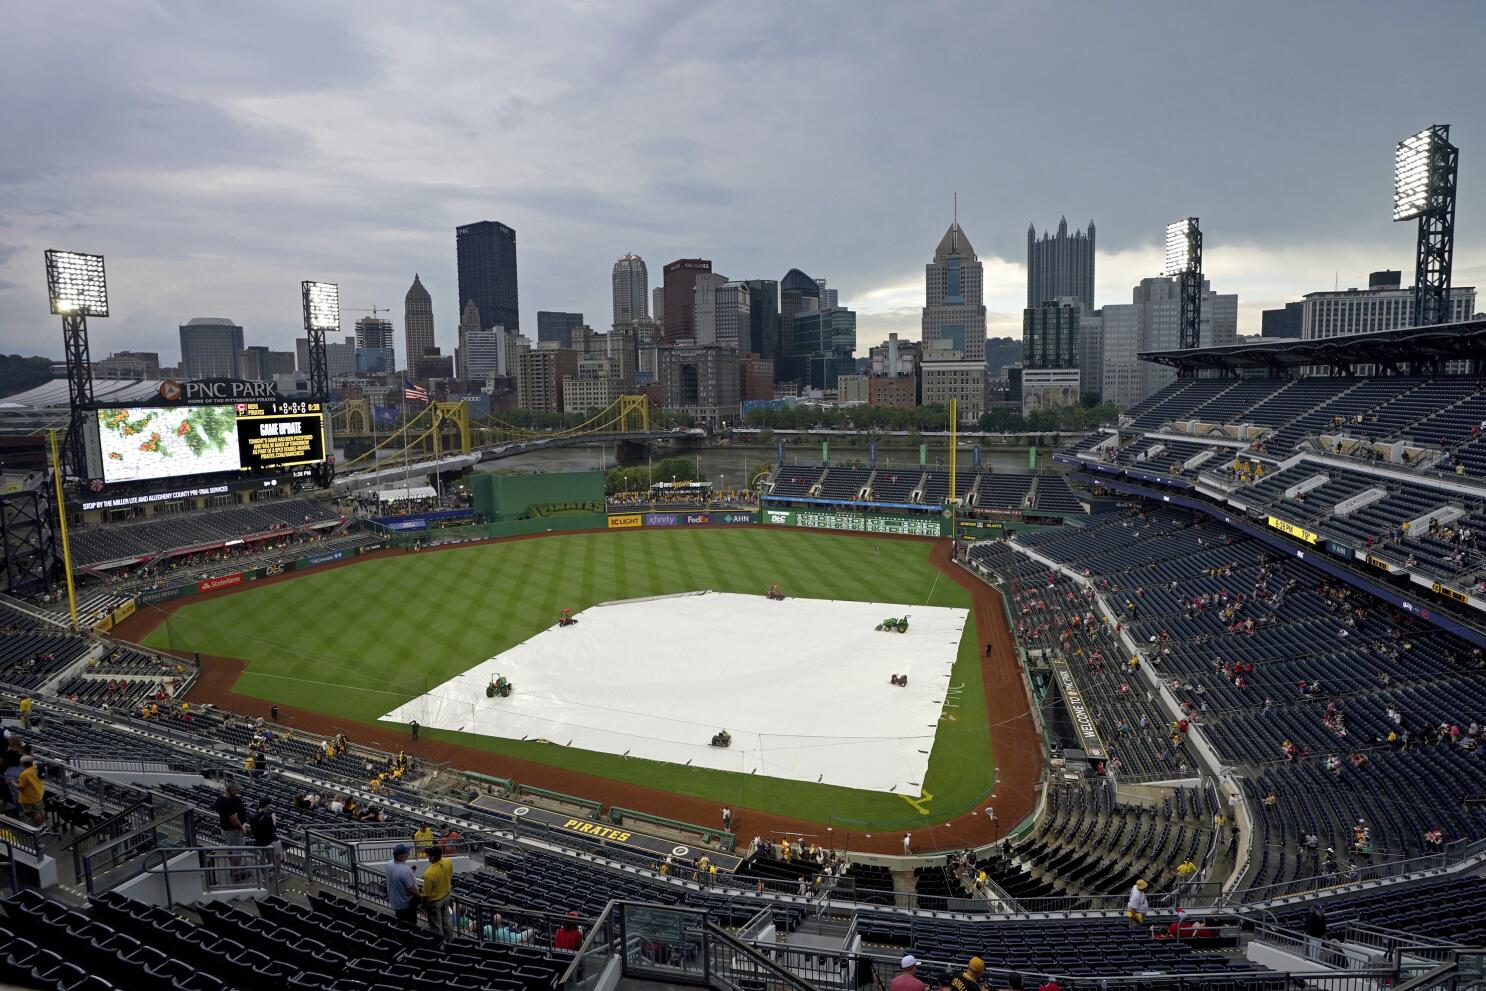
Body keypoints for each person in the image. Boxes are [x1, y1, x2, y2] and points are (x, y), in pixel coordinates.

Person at [421, 846, 455, 937]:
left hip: (434, 902)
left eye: (428, 855)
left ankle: (440, 943)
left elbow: (425, 893)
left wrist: (423, 906)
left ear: (432, 857)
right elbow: (450, 875)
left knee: (436, 924)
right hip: (446, 896)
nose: (427, 857)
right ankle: (450, 939)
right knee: (446, 920)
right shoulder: (448, 862)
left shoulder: (429, 873)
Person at [386, 844, 420, 925]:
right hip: (406, 904)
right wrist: (421, 898)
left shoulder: (389, 863)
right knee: (409, 925)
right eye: (406, 852)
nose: (408, 853)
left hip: (396, 902)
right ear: (400, 857)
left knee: (400, 922)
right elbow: (412, 889)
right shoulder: (405, 870)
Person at [249, 797, 281, 875]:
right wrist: (274, 820)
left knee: (262, 859)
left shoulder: (253, 817)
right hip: (270, 841)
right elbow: (273, 829)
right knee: (277, 857)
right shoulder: (267, 817)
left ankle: (266, 875)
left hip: (259, 842)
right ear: (267, 806)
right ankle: (277, 875)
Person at [16, 755, 45, 828]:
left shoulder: (24, 774)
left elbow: (21, 787)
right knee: (40, 809)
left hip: (29, 798)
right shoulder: (36, 768)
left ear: (23, 764)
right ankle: (43, 825)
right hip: (38, 794)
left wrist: (13, 783)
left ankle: (39, 827)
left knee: (33, 813)